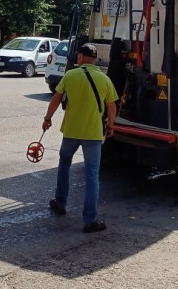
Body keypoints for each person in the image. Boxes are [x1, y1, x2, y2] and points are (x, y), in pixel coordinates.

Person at [42, 43, 118, 233]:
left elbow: (56, 99)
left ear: (81, 57)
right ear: (95, 59)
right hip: (92, 133)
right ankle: (89, 220)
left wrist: (47, 119)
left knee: (64, 165)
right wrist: (110, 126)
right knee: (92, 174)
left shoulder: (70, 75)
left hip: (71, 131)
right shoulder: (104, 79)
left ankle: (60, 202)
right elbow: (111, 107)